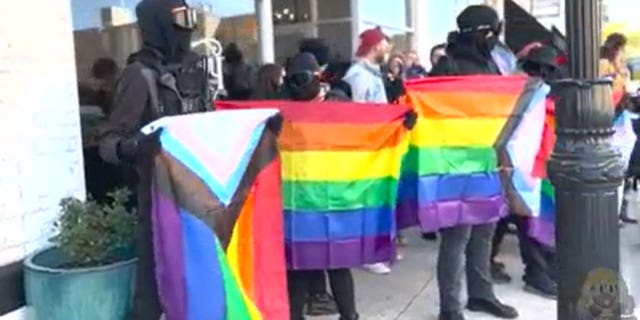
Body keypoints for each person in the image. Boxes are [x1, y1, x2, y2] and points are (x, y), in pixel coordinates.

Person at [96, 1, 204, 319]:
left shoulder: (196, 68)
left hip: (198, 190)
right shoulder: (139, 75)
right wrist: (133, 148)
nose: (188, 27)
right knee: (153, 279)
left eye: (191, 18)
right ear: (157, 23)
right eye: (180, 19)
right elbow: (108, 141)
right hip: (157, 194)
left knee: (197, 276)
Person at [430, 5, 519, 320]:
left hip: (487, 160)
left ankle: (481, 295)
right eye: (494, 32)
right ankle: (450, 308)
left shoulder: (491, 62)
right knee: (457, 237)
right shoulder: (447, 66)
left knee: (484, 229)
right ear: (484, 32)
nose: (496, 38)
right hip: (456, 165)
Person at [284, 52, 359, 320]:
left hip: (334, 199)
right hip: (299, 202)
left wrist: (399, 122)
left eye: (302, 78)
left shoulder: (339, 106)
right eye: (291, 80)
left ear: (319, 77)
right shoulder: (283, 112)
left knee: (338, 264)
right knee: (298, 267)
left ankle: (350, 316)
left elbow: (367, 134)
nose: (296, 85)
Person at [342, 26, 394, 275]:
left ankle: (374, 249)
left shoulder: (371, 74)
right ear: (376, 46)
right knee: (367, 203)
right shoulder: (359, 77)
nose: (388, 48)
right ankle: (366, 253)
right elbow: (356, 116)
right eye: (385, 43)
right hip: (366, 149)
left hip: (375, 146)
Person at [343, 27, 391, 104]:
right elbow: (360, 110)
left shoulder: (372, 73)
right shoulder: (359, 75)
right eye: (385, 47)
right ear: (377, 47)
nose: (387, 52)